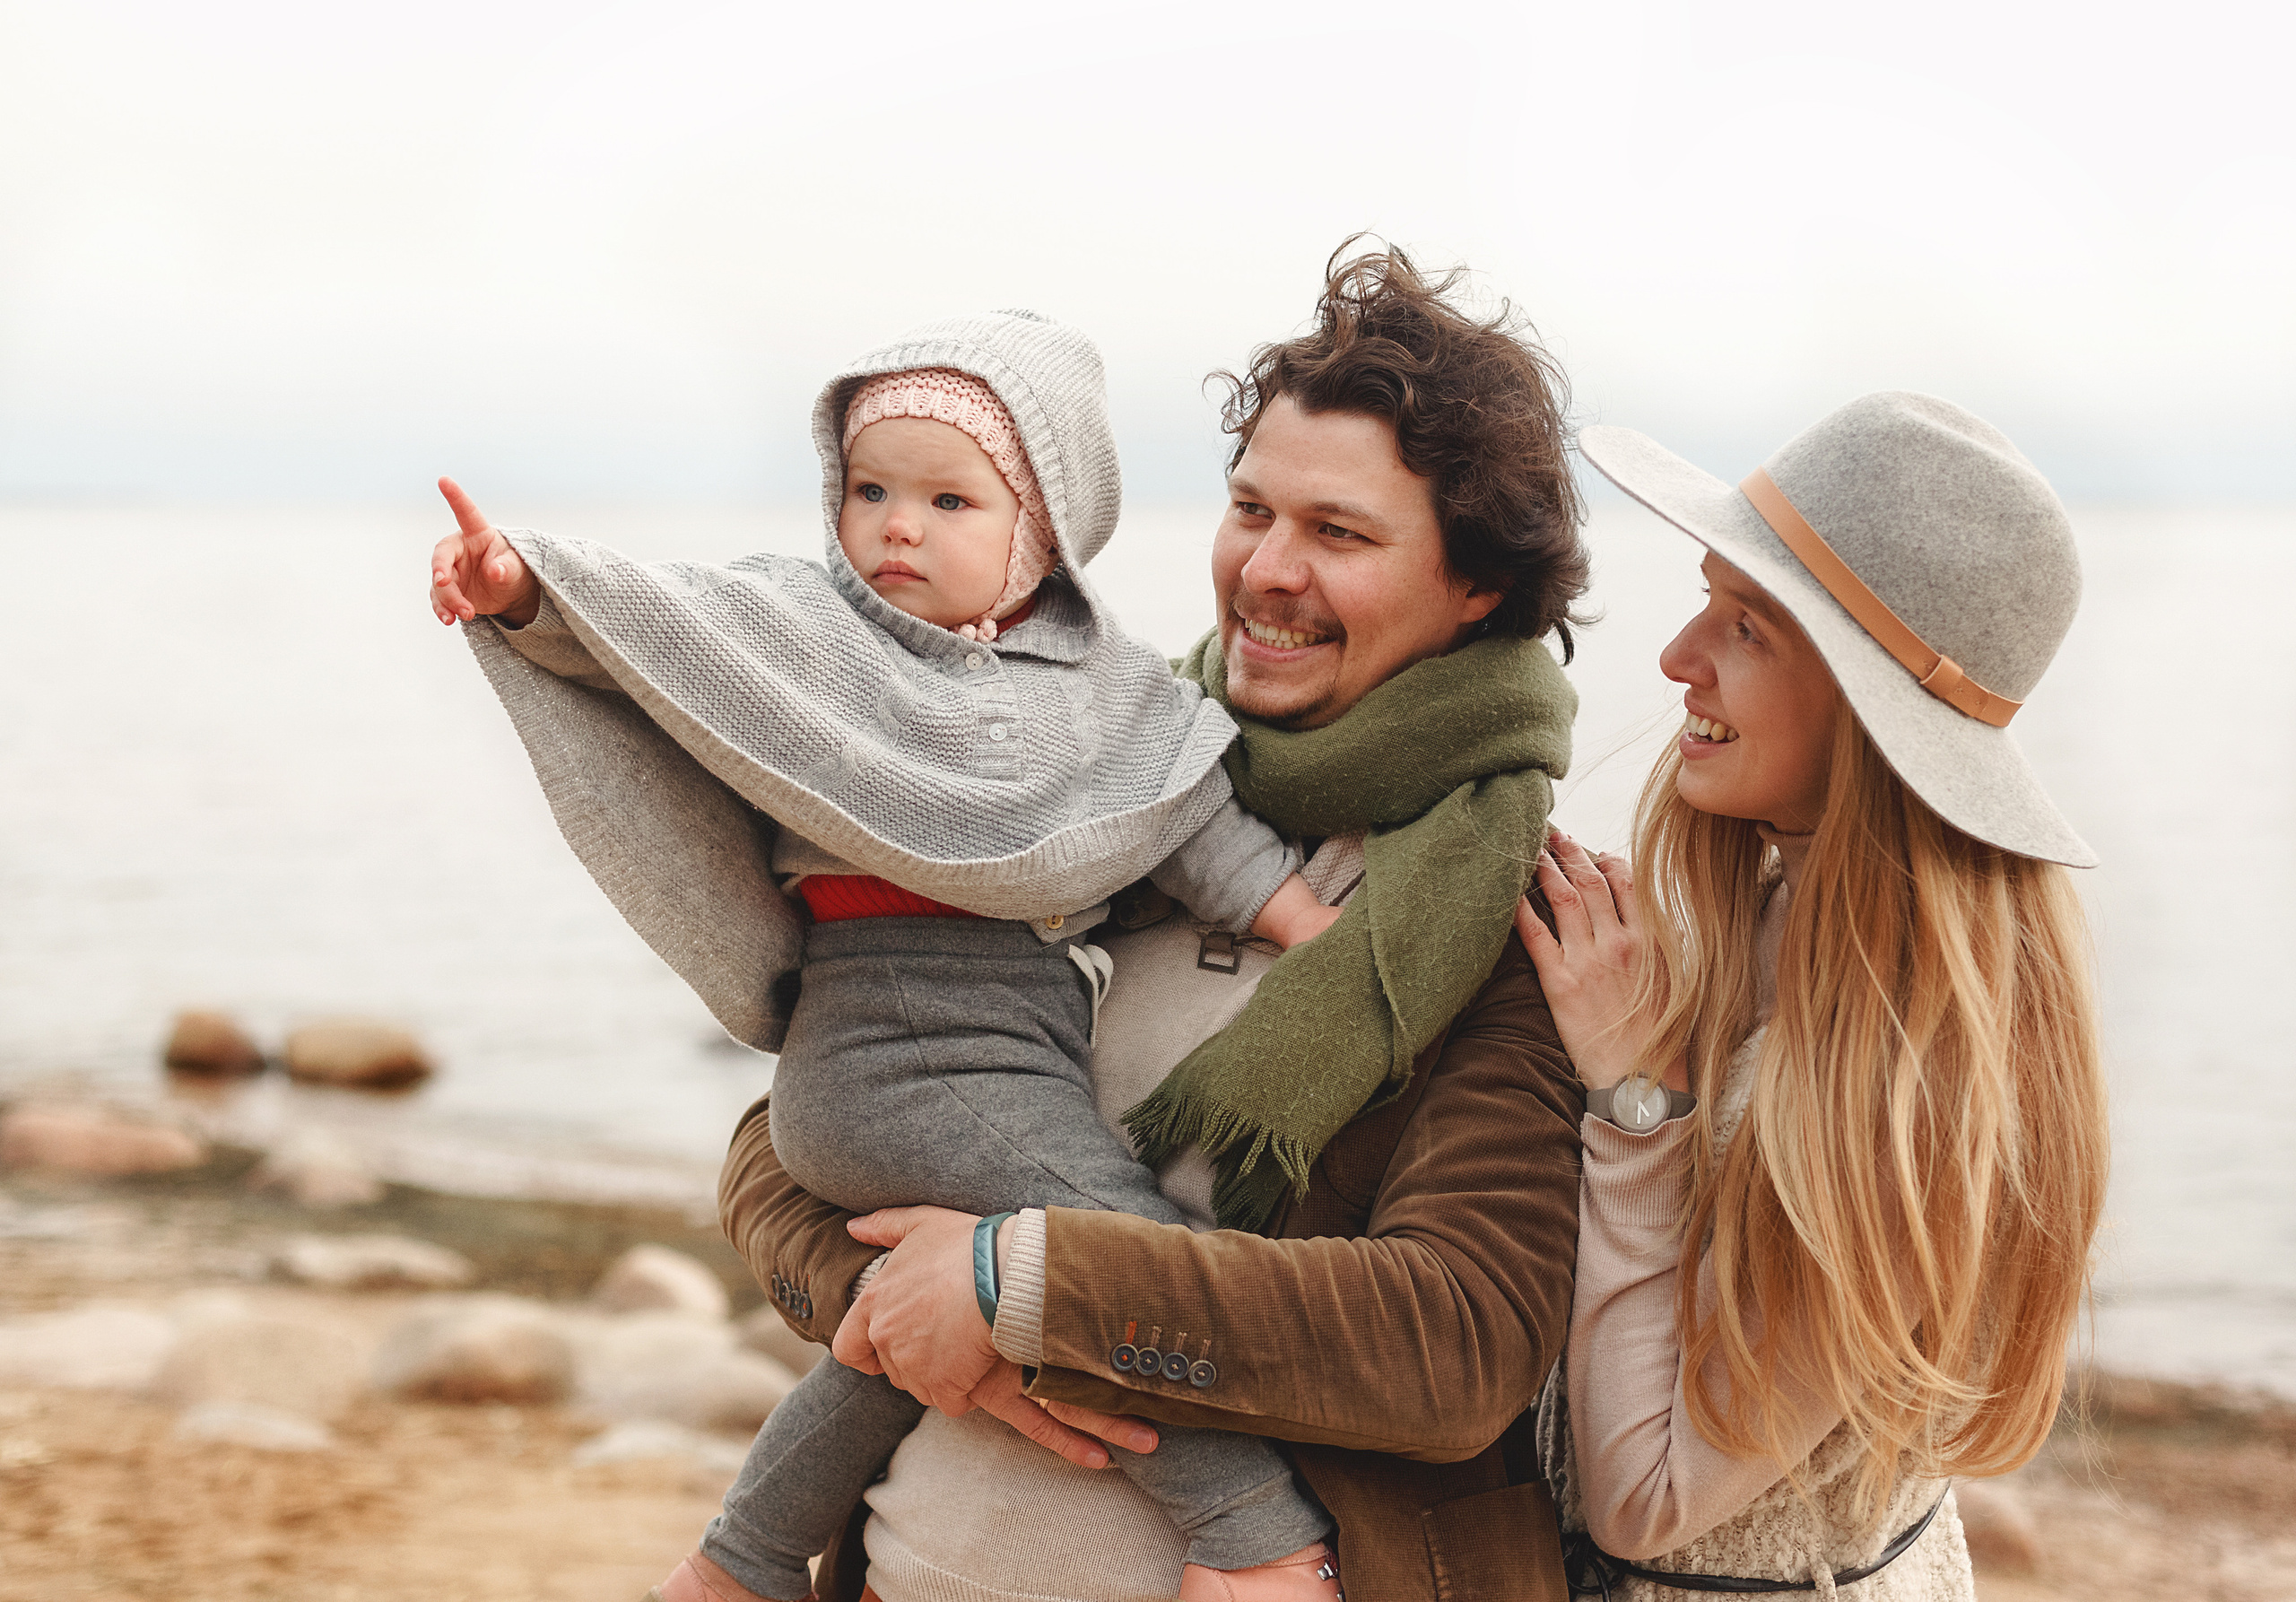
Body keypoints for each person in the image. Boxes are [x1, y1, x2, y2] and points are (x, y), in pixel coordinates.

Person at [427, 313, 1379, 1601]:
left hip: (927, 1085)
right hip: (916, 1063)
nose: (898, 527)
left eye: (948, 497)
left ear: (1038, 528)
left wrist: (1313, 935)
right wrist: (529, 591)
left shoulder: (1109, 696)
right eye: (870, 490)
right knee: (1118, 1251)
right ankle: (1254, 1532)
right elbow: (670, 639)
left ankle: (740, 1562)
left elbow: (1193, 822)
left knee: (881, 1345)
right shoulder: (814, 645)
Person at [720, 245, 1594, 1602]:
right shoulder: (1089, 776)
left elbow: (1457, 1343)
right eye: (1252, 509)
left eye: (1341, 533)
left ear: (1478, 584)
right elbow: (793, 1132)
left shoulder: (1519, 921)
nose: (1268, 572)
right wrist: (908, 1311)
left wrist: (1027, 1285)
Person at [1519, 393, 2108, 1598]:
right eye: (1706, 597)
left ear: (1870, 715)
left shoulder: (1913, 1081)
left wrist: (1637, 1100)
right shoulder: (1796, 922)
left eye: (1747, 627)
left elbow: (1648, 1498)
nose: (1681, 656)